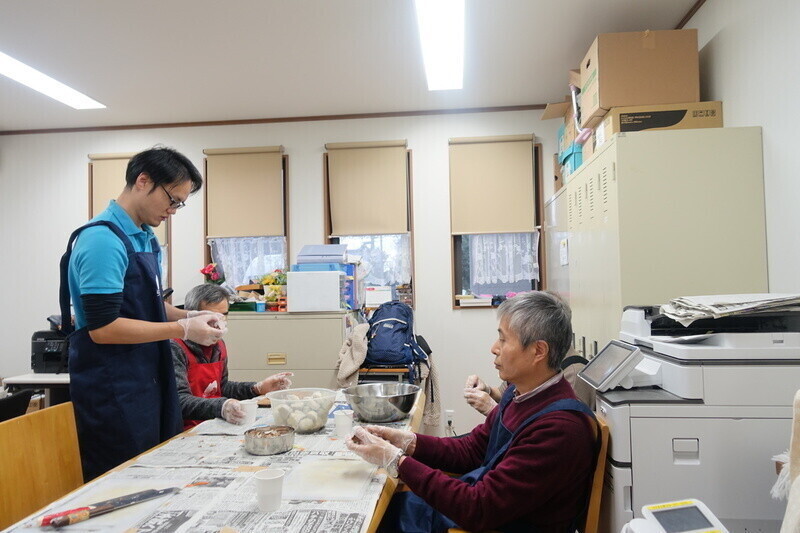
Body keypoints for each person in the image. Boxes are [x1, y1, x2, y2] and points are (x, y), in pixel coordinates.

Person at [346, 291, 598, 532]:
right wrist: (408, 442)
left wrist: (396, 461)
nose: (494, 348)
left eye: (503, 339)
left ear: (538, 351)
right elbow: (472, 450)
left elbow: (477, 508)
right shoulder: (519, 393)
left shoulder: (559, 429)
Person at [60, 147, 227, 481]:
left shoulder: (146, 239)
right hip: (111, 387)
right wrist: (182, 329)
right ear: (143, 181)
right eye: (173, 200)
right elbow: (103, 328)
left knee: (156, 473)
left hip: (145, 377)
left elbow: (149, 306)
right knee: (121, 481)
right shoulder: (102, 241)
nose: (174, 210)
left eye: (181, 203)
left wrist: (190, 314)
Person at [171, 283, 293, 428]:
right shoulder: (176, 347)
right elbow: (179, 401)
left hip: (213, 424)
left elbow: (222, 388)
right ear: (191, 315)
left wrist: (257, 388)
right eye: (211, 317)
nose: (219, 324)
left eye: (224, 315)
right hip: (186, 429)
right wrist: (222, 406)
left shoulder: (218, 345)